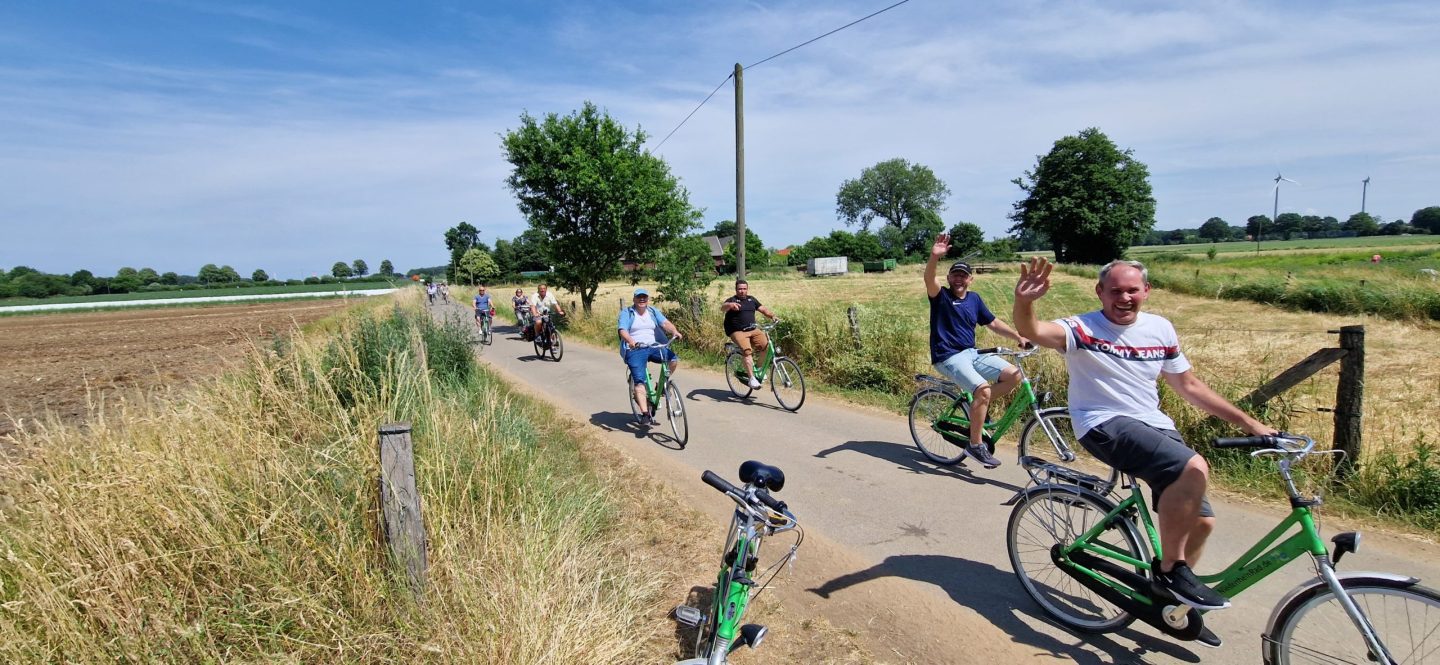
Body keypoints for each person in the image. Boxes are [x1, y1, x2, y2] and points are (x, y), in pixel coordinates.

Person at [1012, 256, 1276, 625]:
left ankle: (1167, 601)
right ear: (1100, 292)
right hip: (1103, 423)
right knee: (1193, 465)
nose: (1124, 297)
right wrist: (1025, 302)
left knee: (1202, 523)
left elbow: (1188, 385)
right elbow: (1036, 330)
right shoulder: (1082, 328)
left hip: (1154, 424)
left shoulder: (1160, 329)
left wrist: (1248, 423)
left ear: (1146, 291)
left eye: (1132, 290)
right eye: (1115, 290)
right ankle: (1171, 571)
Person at [924, 233, 1030, 469]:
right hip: (948, 356)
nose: (959, 279)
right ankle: (975, 445)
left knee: (1015, 375)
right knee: (982, 390)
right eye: (955, 275)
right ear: (949, 277)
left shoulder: (975, 299)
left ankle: (977, 409)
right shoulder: (940, 296)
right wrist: (934, 256)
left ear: (971, 279)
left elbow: (992, 322)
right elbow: (929, 277)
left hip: (972, 353)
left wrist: (1018, 336)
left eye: (964, 275)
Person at [617, 288, 682, 426]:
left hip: (653, 346)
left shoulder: (652, 311)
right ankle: (645, 414)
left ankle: (662, 384)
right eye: (639, 297)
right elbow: (622, 329)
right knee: (639, 381)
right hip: (635, 349)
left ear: (647, 299)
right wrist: (630, 341)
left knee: (673, 359)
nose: (642, 300)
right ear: (634, 299)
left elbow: (665, 323)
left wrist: (674, 331)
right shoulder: (627, 313)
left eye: (644, 297)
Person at [721, 279, 778, 389]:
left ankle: (757, 369)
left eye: (744, 289)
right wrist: (730, 305)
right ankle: (752, 379)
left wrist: (772, 316)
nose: (742, 291)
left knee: (767, 347)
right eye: (739, 289)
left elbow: (763, 309)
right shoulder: (732, 300)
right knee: (747, 352)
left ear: (747, 289)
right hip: (737, 331)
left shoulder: (752, 300)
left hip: (753, 329)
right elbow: (723, 308)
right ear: (736, 290)